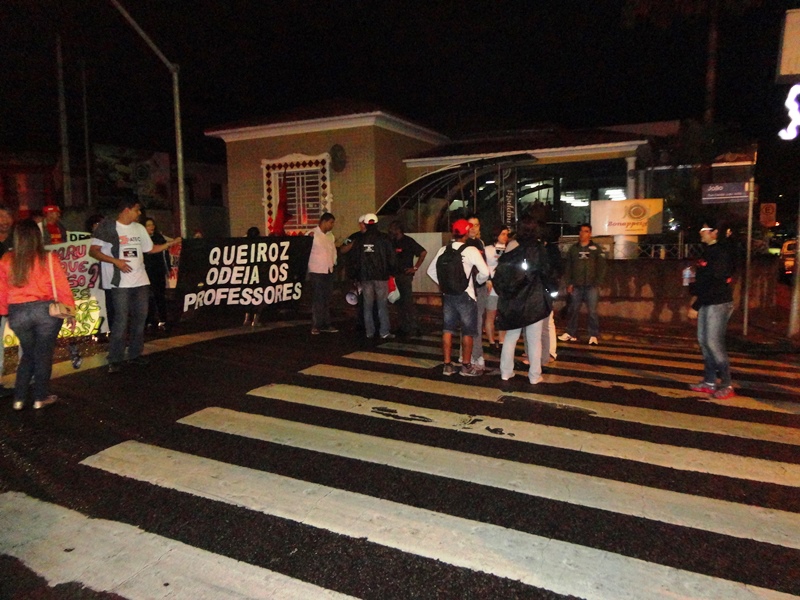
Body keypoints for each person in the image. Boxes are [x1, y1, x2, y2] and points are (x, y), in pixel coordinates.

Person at [90, 199, 182, 373]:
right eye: (137, 210)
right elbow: (93, 251)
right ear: (126, 210)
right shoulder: (108, 227)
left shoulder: (139, 228)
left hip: (140, 280)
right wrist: (115, 261)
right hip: (120, 282)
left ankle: (135, 354)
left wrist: (169, 244)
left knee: (140, 319)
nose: (139, 213)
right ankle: (115, 358)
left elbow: (150, 249)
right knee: (121, 320)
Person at [0, 219, 76, 410]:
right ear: (37, 236)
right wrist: (71, 312)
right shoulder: (48, 258)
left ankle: (19, 399)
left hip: (18, 313)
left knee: (28, 353)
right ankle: (40, 397)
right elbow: (62, 286)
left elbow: (2, 289)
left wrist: (5, 312)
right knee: (43, 354)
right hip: (45, 311)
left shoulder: (7, 259)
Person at [427, 219, 490, 377]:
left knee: (447, 330)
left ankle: (447, 365)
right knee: (468, 331)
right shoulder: (471, 250)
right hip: (466, 295)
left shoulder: (443, 250)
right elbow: (485, 273)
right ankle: (466, 366)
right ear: (466, 233)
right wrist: (478, 281)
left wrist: (444, 284)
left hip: (448, 295)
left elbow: (430, 271)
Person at [494, 217, 553, 385]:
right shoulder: (539, 248)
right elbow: (547, 273)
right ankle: (534, 375)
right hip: (534, 299)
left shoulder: (512, 245)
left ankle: (506, 372)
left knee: (511, 336)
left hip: (514, 299)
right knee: (534, 340)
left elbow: (503, 273)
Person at [688, 217, 735, 400]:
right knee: (704, 341)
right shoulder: (708, 251)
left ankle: (727, 384)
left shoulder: (721, 252)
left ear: (715, 232)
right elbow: (704, 279)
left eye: (704, 230)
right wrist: (693, 288)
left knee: (714, 344)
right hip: (707, 301)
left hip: (718, 303)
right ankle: (709, 382)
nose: (701, 233)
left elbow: (716, 282)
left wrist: (696, 305)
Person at [558, 223, 606, 345]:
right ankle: (571, 332)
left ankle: (593, 334)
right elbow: (568, 267)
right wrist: (569, 283)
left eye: (586, 231)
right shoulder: (573, 249)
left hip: (591, 286)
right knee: (573, 309)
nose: (582, 233)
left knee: (592, 311)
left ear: (590, 233)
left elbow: (602, 267)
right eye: (581, 231)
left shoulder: (596, 249)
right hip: (576, 285)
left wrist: (598, 282)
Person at [351, 214, 396, 339]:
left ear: (365, 224)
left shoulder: (360, 239)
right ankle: (384, 332)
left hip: (365, 277)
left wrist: (356, 275)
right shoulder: (384, 238)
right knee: (382, 304)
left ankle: (369, 332)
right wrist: (392, 271)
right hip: (381, 276)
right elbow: (391, 257)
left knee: (367, 305)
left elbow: (355, 259)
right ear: (376, 224)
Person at [388, 220, 427, 337]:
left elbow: (423, 252)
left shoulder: (408, 241)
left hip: (405, 275)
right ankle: (403, 326)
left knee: (407, 302)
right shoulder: (392, 242)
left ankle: (414, 327)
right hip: (394, 275)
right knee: (398, 302)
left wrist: (415, 268)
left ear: (398, 229)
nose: (390, 230)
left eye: (392, 228)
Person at [462, 216, 489, 369]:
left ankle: (468, 354)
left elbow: (483, 263)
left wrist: (487, 280)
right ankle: (475, 355)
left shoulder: (480, 242)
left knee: (475, 322)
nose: (473, 228)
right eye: (470, 225)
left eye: (476, 225)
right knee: (474, 323)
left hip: (480, 286)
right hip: (471, 287)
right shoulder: (465, 244)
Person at [307, 212, 338, 335]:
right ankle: (316, 325)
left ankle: (326, 323)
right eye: (331, 223)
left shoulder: (330, 236)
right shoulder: (312, 234)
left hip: (328, 270)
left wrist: (333, 263)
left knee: (326, 298)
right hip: (317, 271)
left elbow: (333, 251)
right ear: (324, 222)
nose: (332, 225)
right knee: (318, 298)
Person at [484, 225, 509, 352]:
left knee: (504, 315)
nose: (505, 237)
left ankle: (502, 341)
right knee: (491, 315)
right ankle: (491, 342)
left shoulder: (510, 249)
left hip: (505, 287)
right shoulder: (487, 249)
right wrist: (488, 279)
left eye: (507, 234)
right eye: (503, 234)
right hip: (492, 287)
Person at [143, 217, 170, 332]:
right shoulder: (141, 239)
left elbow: (165, 255)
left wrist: (167, 269)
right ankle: (149, 320)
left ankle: (162, 319)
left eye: (152, 225)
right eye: (148, 225)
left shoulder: (159, 238)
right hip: (145, 272)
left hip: (158, 271)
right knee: (148, 297)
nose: (151, 227)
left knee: (160, 295)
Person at [0, 205, 14, 396]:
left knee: (28, 339)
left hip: (17, 297)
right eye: (0, 216)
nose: (4, 220)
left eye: (7, 216)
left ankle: (27, 375)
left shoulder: (17, 239)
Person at [242, 226, 263, 327]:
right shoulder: (261, 245)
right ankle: (255, 320)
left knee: (247, 295)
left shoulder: (243, 245)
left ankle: (247, 318)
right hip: (258, 274)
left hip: (246, 275)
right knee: (258, 296)